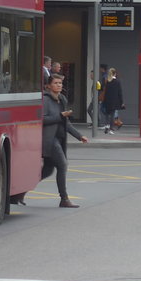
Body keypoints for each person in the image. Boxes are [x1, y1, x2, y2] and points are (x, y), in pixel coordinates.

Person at [41, 73, 87, 208]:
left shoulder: (62, 99)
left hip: (59, 138)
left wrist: (79, 136)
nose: (58, 85)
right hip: (49, 139)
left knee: (47, 171)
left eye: (60, 83)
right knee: (62, 165)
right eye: (55, 83)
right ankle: (64, 199)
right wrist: (60, 116)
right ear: (49, 86)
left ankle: (18, 193)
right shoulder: (45, 100)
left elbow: (66, 123)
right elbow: (42, 120)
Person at [100, 67, 124, 134]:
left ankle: (107, 126)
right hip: (114, 101)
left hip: (107, 100)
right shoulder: (117, 82)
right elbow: (120, 92)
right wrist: (121, 102)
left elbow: (102, 88)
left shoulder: (106, 81)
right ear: (115, 74)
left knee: (107, 114)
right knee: (112, 115)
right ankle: (111, 128)